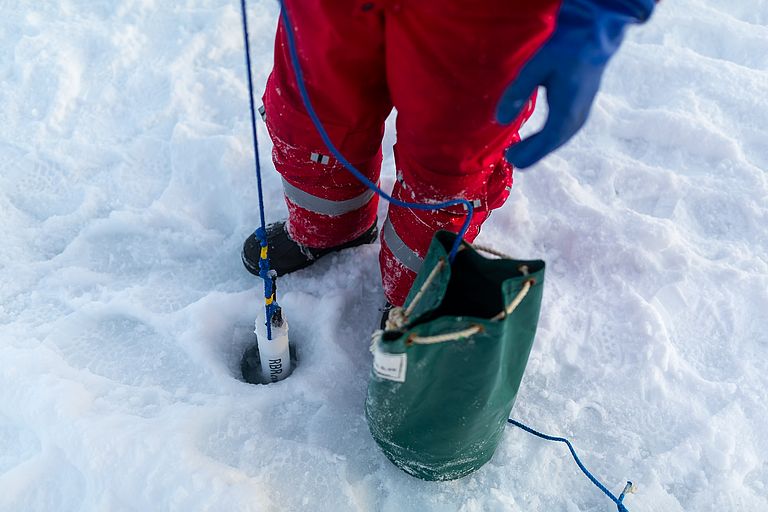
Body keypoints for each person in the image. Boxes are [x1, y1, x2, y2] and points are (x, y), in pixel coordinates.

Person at [242, 0, 657, 308]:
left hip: (484, 14)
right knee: (316, 109)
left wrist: (603, 11)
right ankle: (328, 225)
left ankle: (411, 288)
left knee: (448, 162)